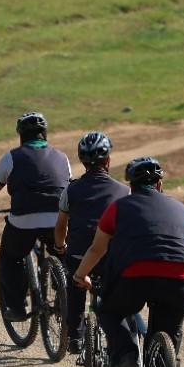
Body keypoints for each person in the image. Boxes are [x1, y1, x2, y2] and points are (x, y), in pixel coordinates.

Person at [72, 157, 184, 367]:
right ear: (160, 184)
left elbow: (96, 249)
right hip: (181, 279)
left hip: (135, 277)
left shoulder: (117, 208)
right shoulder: (181, 209)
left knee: (108, 311)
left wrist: (80, 275)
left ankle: (126, 355)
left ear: (131, 186)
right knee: (171, 328)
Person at [0, 112, 72, 322]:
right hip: (58, 219)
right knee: (63, 252)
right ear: (44, 134)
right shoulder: (62, 157)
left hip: (24, 221)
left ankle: (17, 309)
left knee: (11, 257)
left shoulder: (11, 157)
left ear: (21, 136)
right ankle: (64, 292)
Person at [53, 131, 129, 354]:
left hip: (79, 255)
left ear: (82, 160)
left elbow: (61, 226)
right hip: (111, 259)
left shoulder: (71, 189)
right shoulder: (124, 191)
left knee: (75, 283)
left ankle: (75, 336)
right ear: (108, 160)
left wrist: (60, 246)